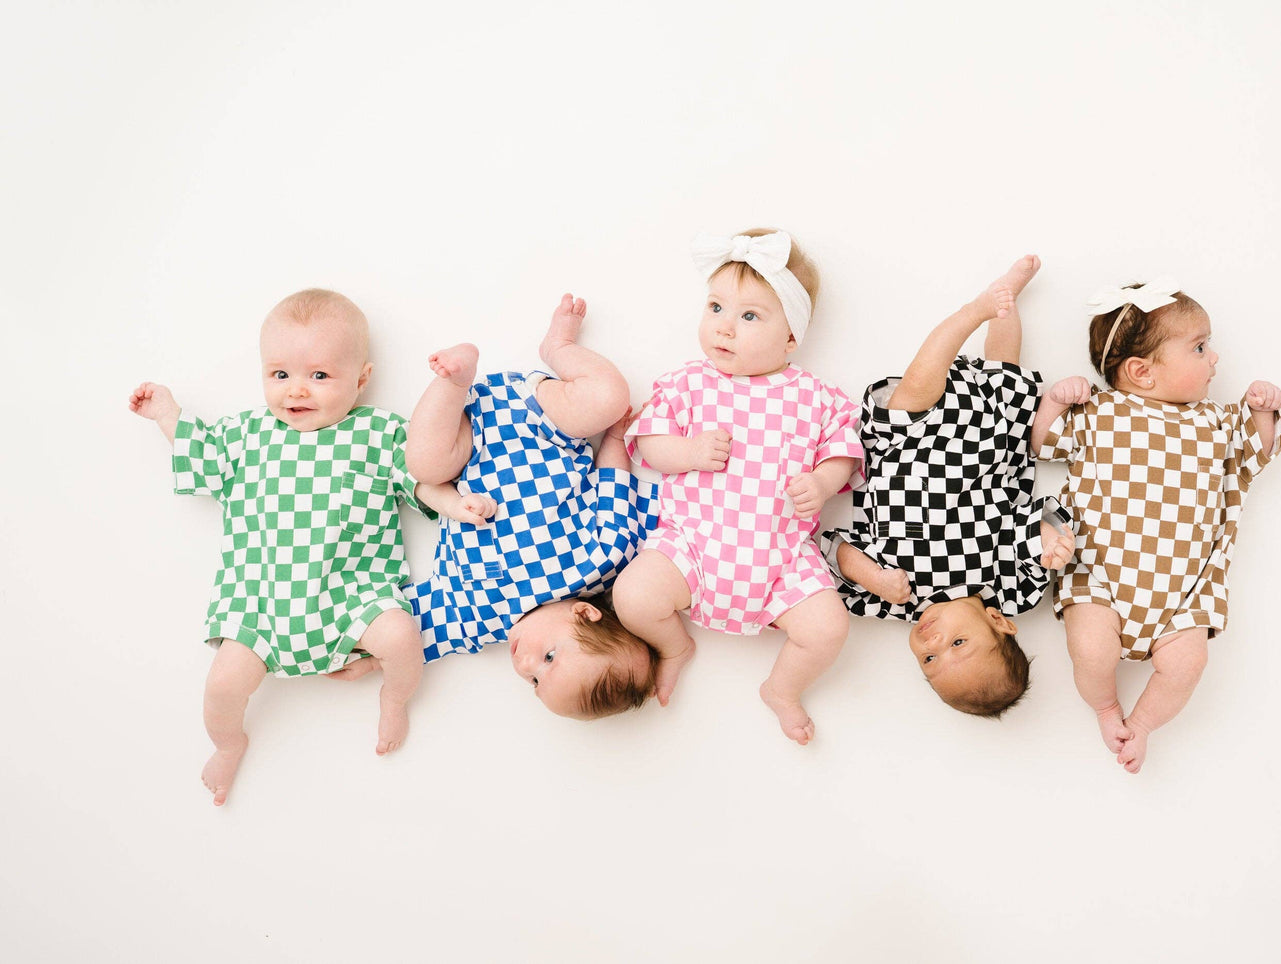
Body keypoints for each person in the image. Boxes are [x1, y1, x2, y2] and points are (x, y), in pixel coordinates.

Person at [129, 289, 486, 805]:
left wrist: (454, 504)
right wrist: (168, 413)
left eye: (319, 376)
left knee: (404, 638)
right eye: (280, 375)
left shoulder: (379, 431)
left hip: (355, 597)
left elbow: (419, 479)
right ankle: (229, 744)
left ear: (362, 378)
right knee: (222, 687)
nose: (296, 390)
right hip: (260, 606)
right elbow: (202, 460)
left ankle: (394, 696)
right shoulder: (246, 434)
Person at [613, 229, 862, 745]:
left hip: (781, 558)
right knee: (632, 596)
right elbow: (651, 443)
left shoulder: (813, 396)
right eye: (716, 306)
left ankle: (782, 689)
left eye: (750, 316)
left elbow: (843, 449)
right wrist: (688, 453)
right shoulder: (689, 383)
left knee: (828, 629)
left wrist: (821, 480)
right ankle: (674, 645)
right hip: (692, 545)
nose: (725, 327)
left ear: (791, 336)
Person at [1033, 279, 1281, 772]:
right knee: (1090, 648)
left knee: (1188, 663)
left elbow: (1261, 451)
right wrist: (1056, 404)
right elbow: (1042, 444)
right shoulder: (1101, 412)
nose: (1215, 358)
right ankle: (1106, 707)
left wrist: (1261, 413)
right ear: (1141, 372)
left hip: (1185, 591)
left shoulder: (1214, 420)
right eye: (1199, 347)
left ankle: (1143, 723)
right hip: (1100, 575)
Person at [819, 256, 1073, 718]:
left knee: (919, 378)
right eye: (959, 643)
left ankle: (968, 315)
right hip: (988, 448)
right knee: (1007, 373)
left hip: (904, 445)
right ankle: (1000, 300)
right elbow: (1029, 526)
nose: (934, 642)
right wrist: (1051, 543)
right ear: (998, 622)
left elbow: (833, 550)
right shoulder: (1009, 590)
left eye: (931, 660)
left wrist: (874, 578)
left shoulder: (890, 604)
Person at [391, 293, 660, 719]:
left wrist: (366, 654)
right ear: (586, 614)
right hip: (544, 422)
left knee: (421, 461)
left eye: (534, 682)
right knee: (609, 397)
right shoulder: (603, 559)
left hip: (465, 447)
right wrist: (613, 440)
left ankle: (454, 382)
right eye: (549, 659)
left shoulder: (482, 616)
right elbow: (616, 489)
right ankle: (558, 348)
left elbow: (410, 629)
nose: (524, 665)